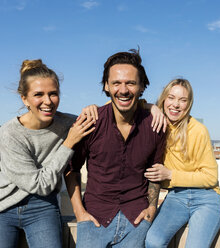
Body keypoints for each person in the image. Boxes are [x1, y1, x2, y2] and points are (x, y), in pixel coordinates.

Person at [0, 59, 95, 248]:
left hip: (43, 206)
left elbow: (109, 116)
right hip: (2, 207)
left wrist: (146, 106)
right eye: (38, 95)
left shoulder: (68, 123)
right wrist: (68, 143)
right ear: (24, 98)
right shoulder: (10, 133)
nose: (48, 101)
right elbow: (40, 184)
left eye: (53, 94)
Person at [64, 49, 166, 248]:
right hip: (94, 219)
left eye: (131, 83)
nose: (124, 89)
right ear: (106, 86)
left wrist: (152, 207)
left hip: (136, 220)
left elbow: (156, 171)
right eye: (116, 83)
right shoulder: (90, 122)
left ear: (142, 86)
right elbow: (71, 169)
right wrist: (79, 213)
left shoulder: (155, 126)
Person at [145, 78, 220, 248]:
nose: (176, 104)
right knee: (152, 242)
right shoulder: (156, 124)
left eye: (182, 100)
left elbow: (210, 178)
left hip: (206, 198)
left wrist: (170, 175)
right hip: (176, 197)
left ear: (189, 104)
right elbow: (124, 103)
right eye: (171, 97)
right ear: (163, 99)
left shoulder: (197, 130)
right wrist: (150, 107)